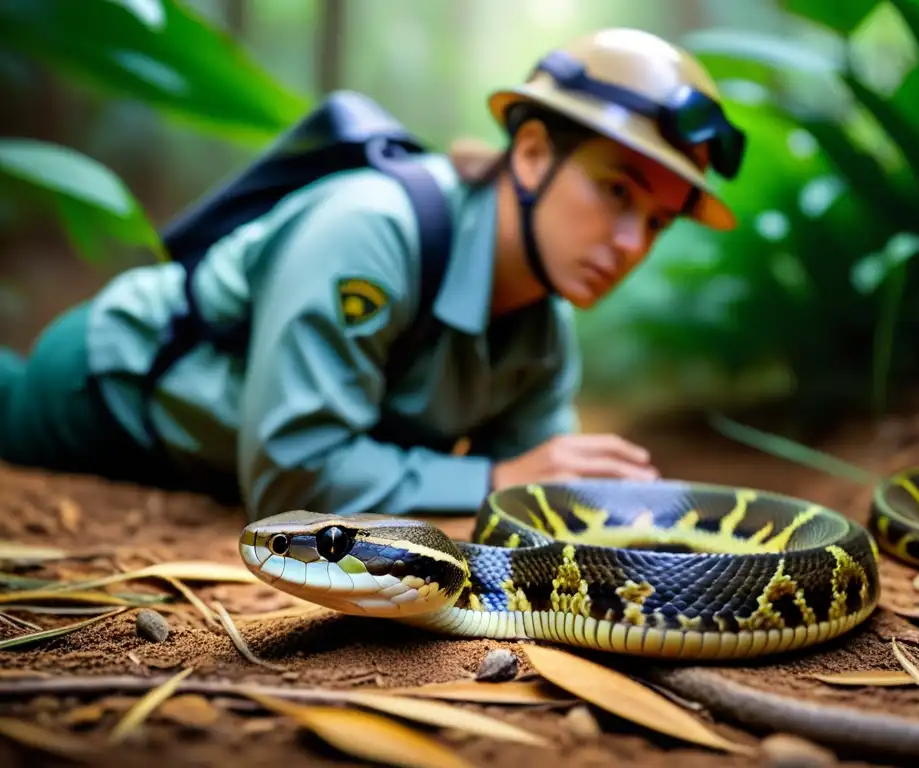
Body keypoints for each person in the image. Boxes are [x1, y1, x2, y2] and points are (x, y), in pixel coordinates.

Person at [0, 27, 746, 521]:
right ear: (530, 155)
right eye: (617, 191)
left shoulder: (543, 329)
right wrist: (494, 480)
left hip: (199, 463)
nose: (630, 243)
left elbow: (535, 491)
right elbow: (291, 478)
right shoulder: (371, 231)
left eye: (657, 221)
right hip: (100, 398)